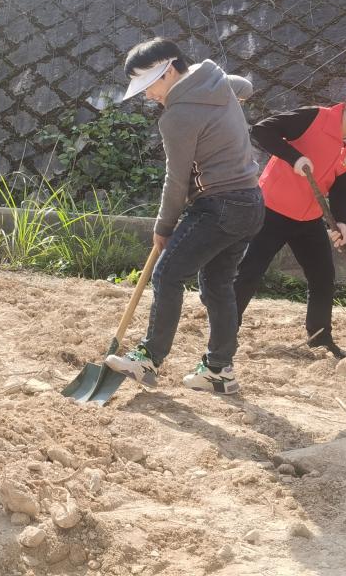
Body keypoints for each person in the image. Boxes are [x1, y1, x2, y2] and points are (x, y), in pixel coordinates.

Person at [105, 38, 264, 394]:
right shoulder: (217, 81)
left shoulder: (177, 118)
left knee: (167, 274)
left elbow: (176, 180)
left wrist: (164, 227)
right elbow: (245, 86)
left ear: (170, 71)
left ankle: (148, 358)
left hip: (219, 205)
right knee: (218, 285)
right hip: (252, 203)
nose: (148, 95)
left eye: (150, 85)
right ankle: (219, 371)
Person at [233, 85, 346, 359]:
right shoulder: (314, 117)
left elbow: (343, 187)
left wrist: (342, 222)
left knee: (323, 277)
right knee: (249, 272)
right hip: (272, 209)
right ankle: (226, 332)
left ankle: (320, 339)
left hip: (310, 217)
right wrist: (295, 157)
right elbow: (262, 130)